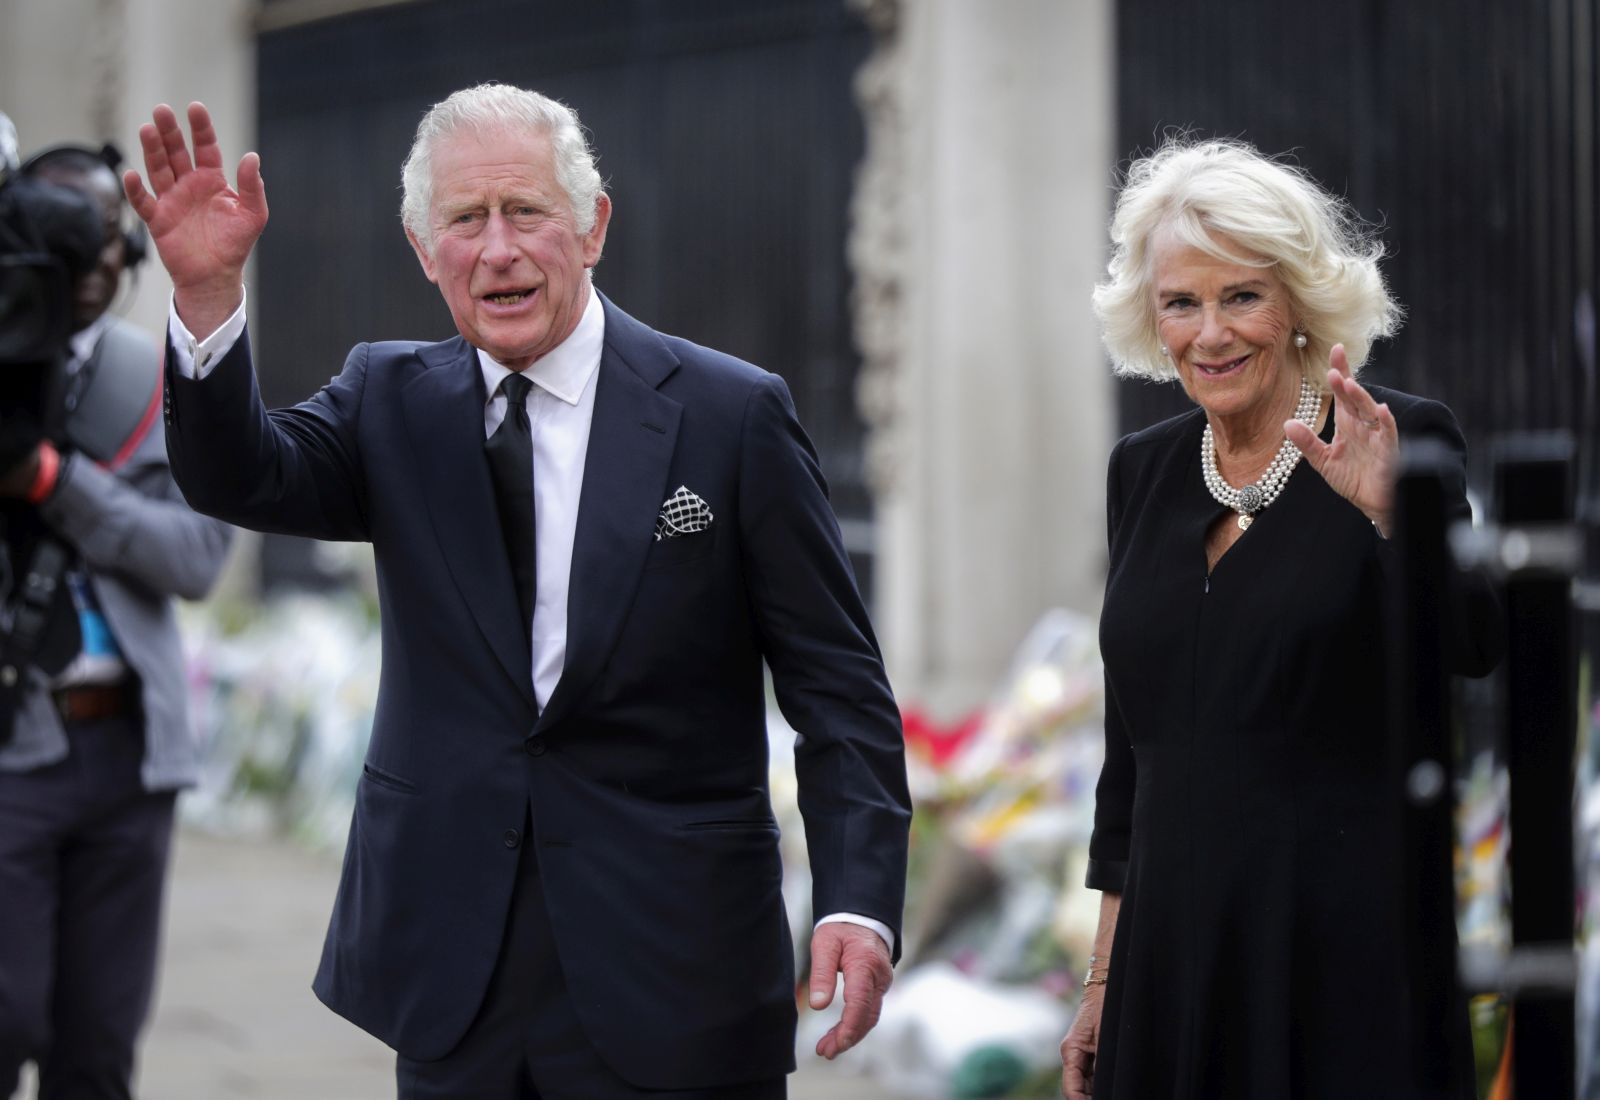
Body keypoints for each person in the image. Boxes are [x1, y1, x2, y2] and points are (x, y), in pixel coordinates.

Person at [123, 85, 911, 1099]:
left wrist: (857, 899)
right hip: (457, 971)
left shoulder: (730, 414)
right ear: (423, 248)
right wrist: (205, 301)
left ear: (592, 227)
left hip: (676, 972)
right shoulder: (386, 398)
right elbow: (241, 475)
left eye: (525, 211)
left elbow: (837, 688)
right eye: (464, 220)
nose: (497, 248)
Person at [1058, 139, 1502, 1100]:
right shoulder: (1143, 469)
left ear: (1297, 301)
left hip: (1342, 957)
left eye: (1241, 297)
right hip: (1172, 958)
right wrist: (1104, 977)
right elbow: (1132, 756)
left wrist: (1395, 515)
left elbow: (1475, 644)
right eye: (1182, 302)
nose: (1210, 333)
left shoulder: (1397, 436)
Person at [0, 142, 234, 1097]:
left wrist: (56, 482)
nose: (91, 261)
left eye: (107, 237)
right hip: (13, 749)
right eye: (58, 237)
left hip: (131, 758)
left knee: (97, 1050)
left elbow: (197, 558)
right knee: (5, 1015)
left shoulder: (156, 379)